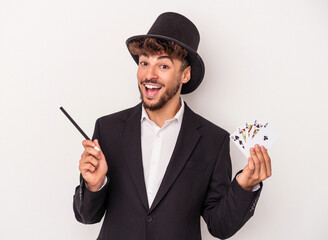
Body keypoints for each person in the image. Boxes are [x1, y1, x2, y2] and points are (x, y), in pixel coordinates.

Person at [73, 12, 271, 240]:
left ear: (185, 74)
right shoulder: (108, 128)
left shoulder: (212, 140)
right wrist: (95, 185)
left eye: (163, 66)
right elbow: (87, 216)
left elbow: (220, 226)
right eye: (144, 62)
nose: (149, 74)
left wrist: (244, 187)